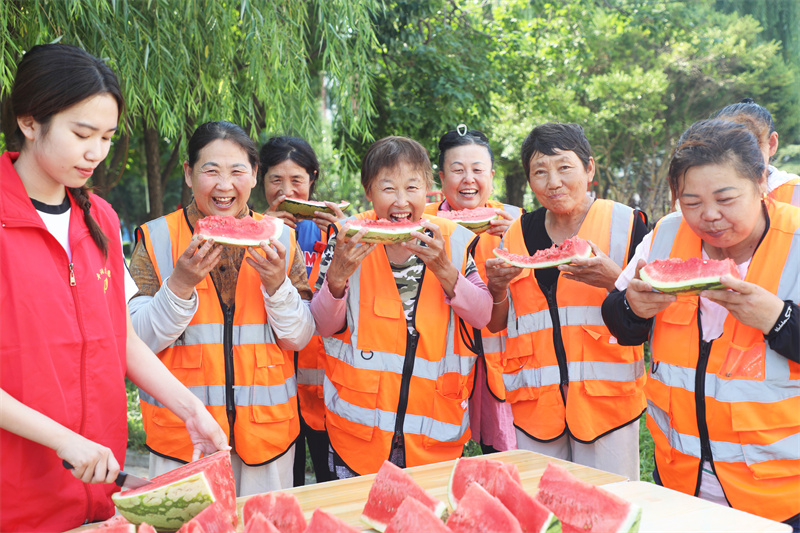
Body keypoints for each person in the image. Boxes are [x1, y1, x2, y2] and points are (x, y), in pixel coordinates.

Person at [0, 44, 229, 532]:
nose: (96, 152)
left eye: (106, 136)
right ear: (28, 121)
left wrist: (191, 409)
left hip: (98, 494)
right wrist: (62, 439)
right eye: (81, 133)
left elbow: (118, 338)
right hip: (15, 499)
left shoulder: (98, 216)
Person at [602, 119, 799, 528]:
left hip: (779, 492)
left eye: (726, 199)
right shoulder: (666, 234)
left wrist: (779, 320)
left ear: (762, 182)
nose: (709, 216)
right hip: (679, 480)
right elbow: (618, 319)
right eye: (691, 202)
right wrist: (632, 308)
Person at [128, 122, 315, 496]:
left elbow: (298, 338)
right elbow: (136, 341)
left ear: (254, 173)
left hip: (267, 434)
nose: (224, 185)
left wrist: (277, 285)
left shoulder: (281, 238)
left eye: (237, 171)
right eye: (210, 170)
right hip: (183, 438)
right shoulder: (155, 238)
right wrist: (179, 284)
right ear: (187, 172)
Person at [309, 136, 493, 477]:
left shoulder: (452, 240)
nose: (401, 201)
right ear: (368, 191)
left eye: (412, 187)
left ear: (429, 189)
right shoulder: (348, 238)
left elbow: (483, 314)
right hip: (358, 435)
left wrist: (444, 269)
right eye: (388, 188)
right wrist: (337, 279)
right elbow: (322, 325)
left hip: (434, 438)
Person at [483, 122, 648, 480]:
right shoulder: (516, 232)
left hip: (607, 404)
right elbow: (499, 323)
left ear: (589, 168)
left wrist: (613, 279)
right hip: (535, 406)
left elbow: (651, 315)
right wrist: (496, 289)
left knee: (608, 513)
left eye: (564, 167)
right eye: (539, 172)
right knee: (546, 511)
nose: (553, 182)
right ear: (529, 181)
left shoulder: (628, 223)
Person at [425, 126, 520, 454]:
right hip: (439, 366)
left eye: (477, 170)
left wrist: (520, 240)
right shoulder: (420, 224)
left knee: (506, 464)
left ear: (491, 176)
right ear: (440, 177)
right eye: (457, 170)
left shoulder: (517, 222)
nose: (468, 179)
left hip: (501, 365)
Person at [261, 136, 344, 485]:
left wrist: (345, 235)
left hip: (329, 383)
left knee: (330, 481)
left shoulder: (334, 229)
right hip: (274, 386)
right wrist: (259, 229)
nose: (286, 191)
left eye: (296, 180)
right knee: (286, 485)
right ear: (258, 179)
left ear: (312, 179)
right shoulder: (256, 229)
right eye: (275, 180)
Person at [712, 98, 800, 207]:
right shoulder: (698, 194)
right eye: (725, 144)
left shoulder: (795, 192)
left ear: (772, 144)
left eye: (751, 143)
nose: (737, 155)